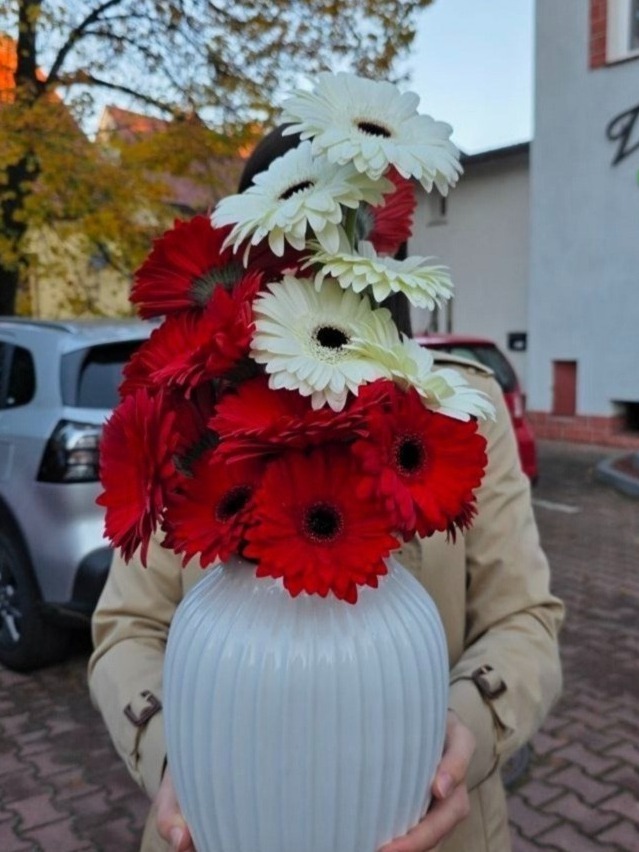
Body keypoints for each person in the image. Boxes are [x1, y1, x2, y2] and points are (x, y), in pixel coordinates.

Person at [88, 128, 564, 852]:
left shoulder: (461, 410)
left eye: (345, 228)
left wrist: (459, 736)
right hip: (217, 824)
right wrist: (171, 755)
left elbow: (524, 617)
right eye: (288, 236)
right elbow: (127, 627)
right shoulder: (190, 416)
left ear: (382, 247)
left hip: (429, 824)